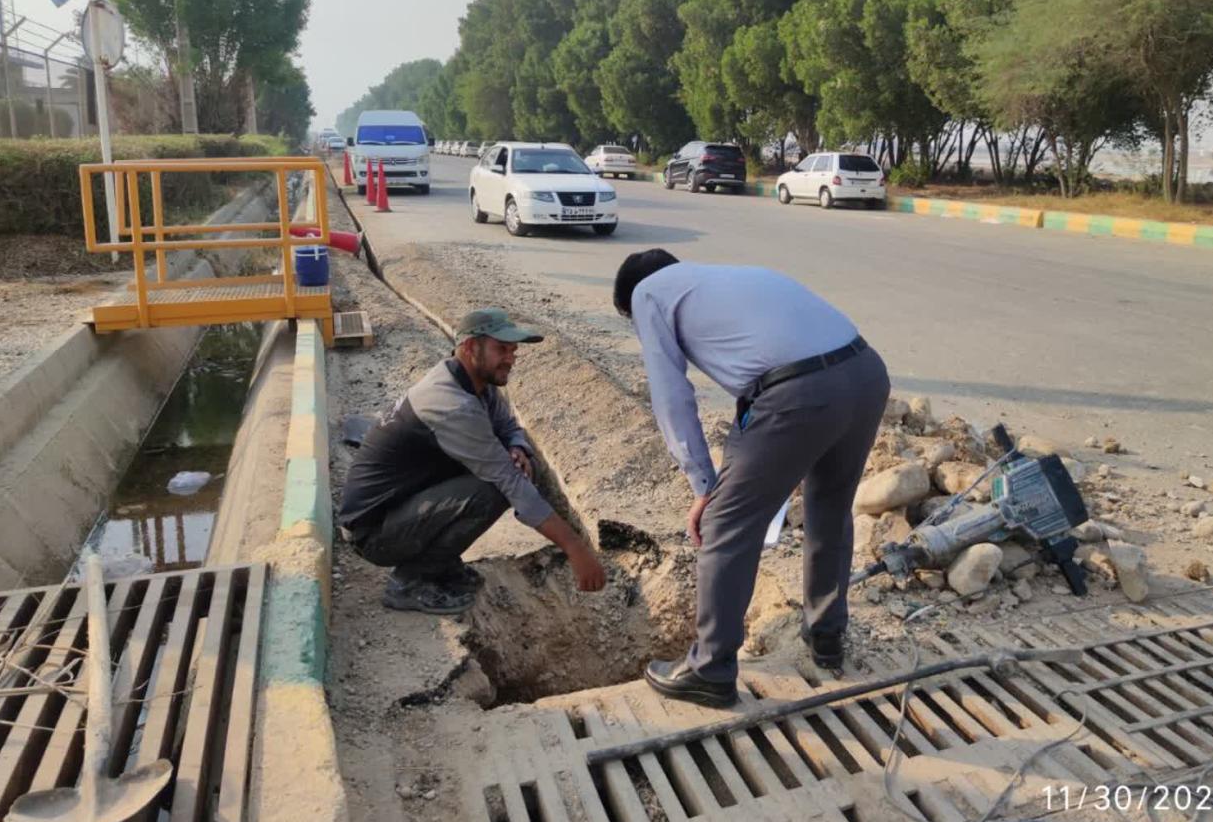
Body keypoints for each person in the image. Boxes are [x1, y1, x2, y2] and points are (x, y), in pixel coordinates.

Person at [613, 249, 889, 707]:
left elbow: (671, 397)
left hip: (801, 392)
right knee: (830, 507)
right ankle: (827, 635)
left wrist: (704, 487)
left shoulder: (647, 294)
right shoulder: (726, 278)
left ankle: (709, 670)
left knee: (725, 524)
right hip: (865, 373)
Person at [339, 307, 606, 614]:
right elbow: (509, 482)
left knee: (511, 471)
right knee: (495, 489)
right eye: (501, 349)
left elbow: (508, 426)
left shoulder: (474, 382)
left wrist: (518, 448)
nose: (510, 358)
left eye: (513, 350)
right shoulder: (452, 404)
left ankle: (439, 564)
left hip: (402, 507)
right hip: (373, 532)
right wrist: (574, 547)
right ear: (469, 347)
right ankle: (409, 582)